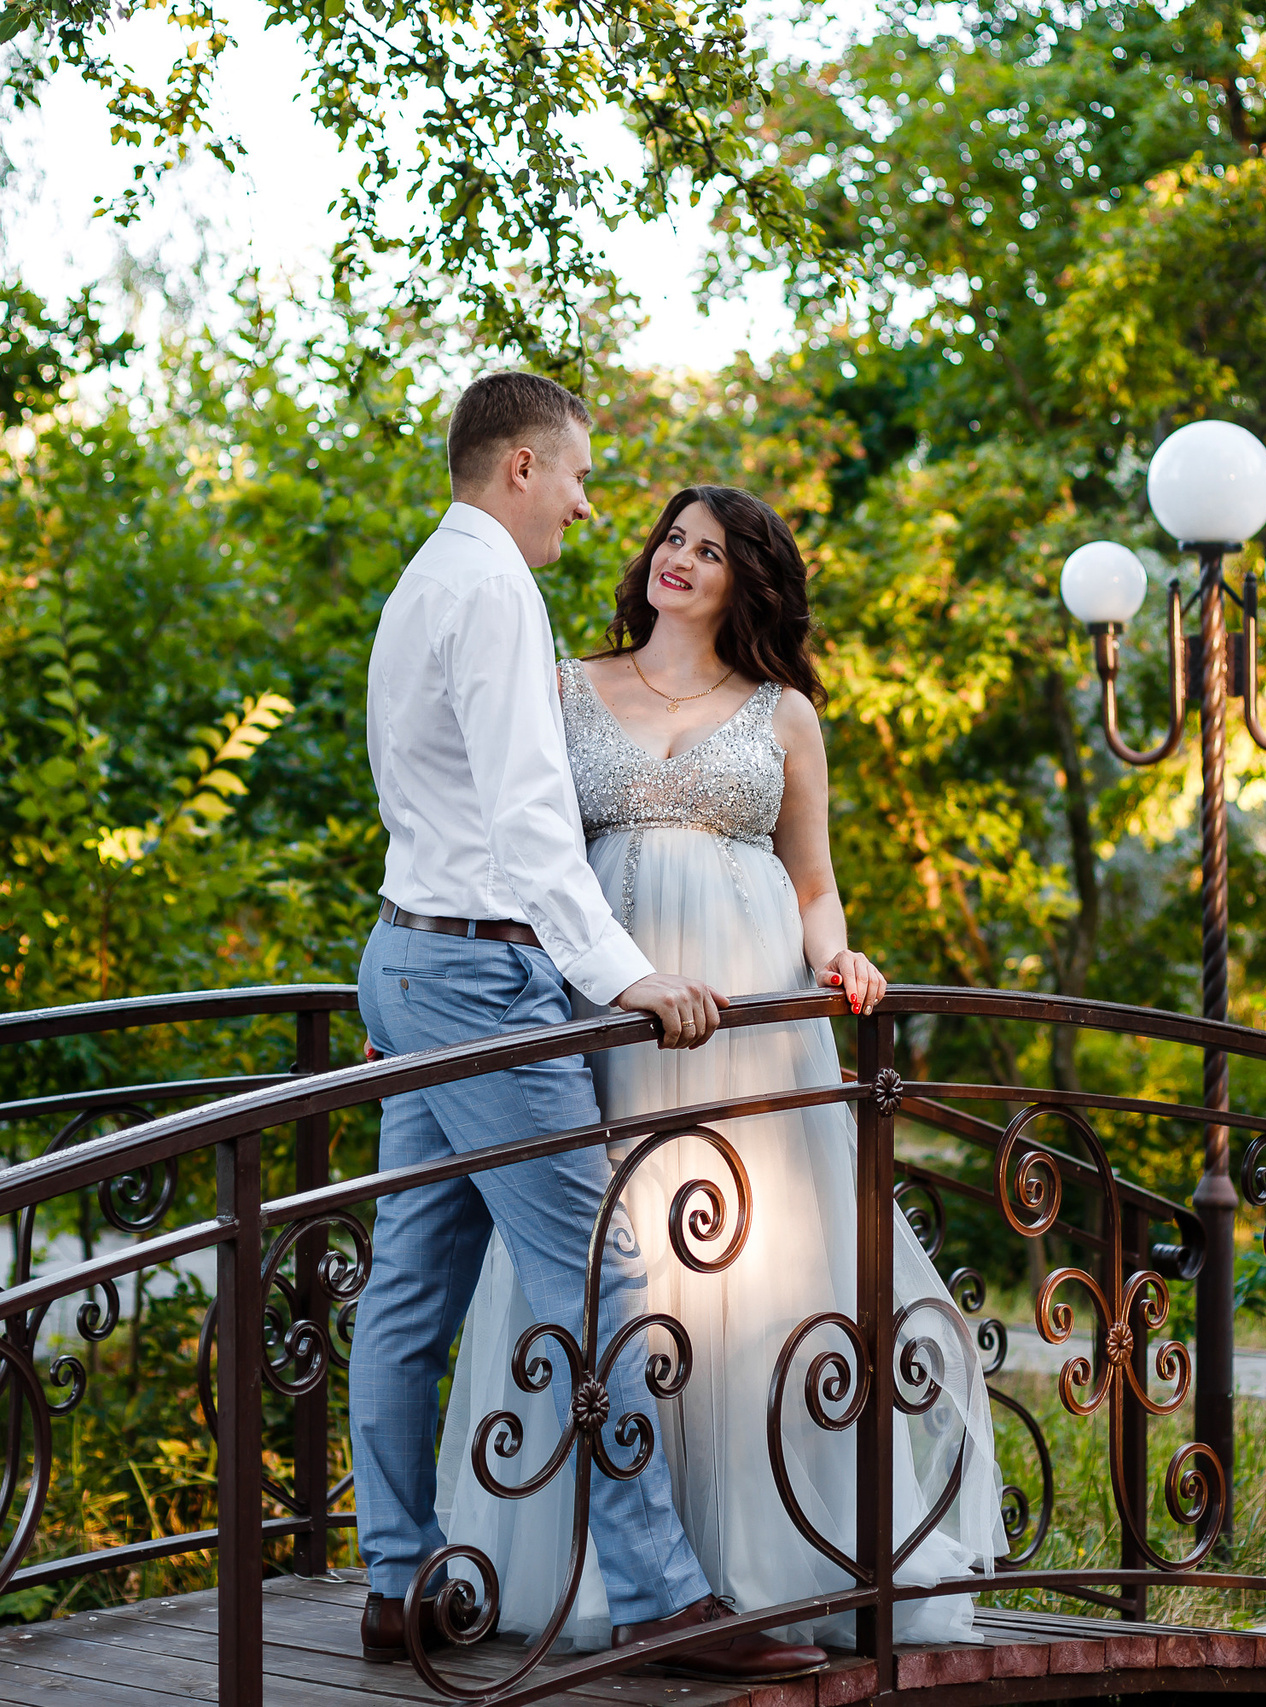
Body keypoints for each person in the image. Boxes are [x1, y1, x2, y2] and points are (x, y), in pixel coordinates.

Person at [434, 485, 1004, 1651]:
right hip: (608, 1011)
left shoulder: (784, 713)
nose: (678, 559)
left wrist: (839, 956)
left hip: (749, 1029)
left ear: (748, 579)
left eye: (708, 549)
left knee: (756, 1267)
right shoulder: (565, 688)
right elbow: (511, 854)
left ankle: (765, 1555)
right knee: (608, 1259)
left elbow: (813, 880)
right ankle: (613, 1569)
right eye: (671, 539)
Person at [349, 374, 830, 1685]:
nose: (584, 504)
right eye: (575, 475)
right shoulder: (499, 590)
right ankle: (663, 1596)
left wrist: (412, 984)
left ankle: (395, 1580)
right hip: (484, 974)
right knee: (602, 1280)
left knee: (410, 1289)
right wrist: (628, 975)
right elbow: (526, 823)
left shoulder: (424, 581)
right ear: (520, 467)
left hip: (411, 951)